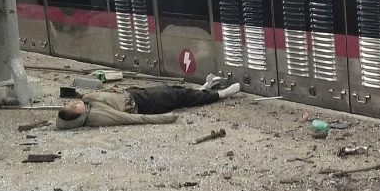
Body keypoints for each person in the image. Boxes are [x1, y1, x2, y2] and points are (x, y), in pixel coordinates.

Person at [55, 74, 241, 129]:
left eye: (70, 103)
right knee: (175, 96)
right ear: (78, 118)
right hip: (140, 104)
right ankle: (220, 95)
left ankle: (202, 90)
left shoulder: (88, 103)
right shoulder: (99, 116)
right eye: (73, 108)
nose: (73, 103)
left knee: (173, 91)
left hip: (133, 94)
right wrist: (165, 118)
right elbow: (132, 119)